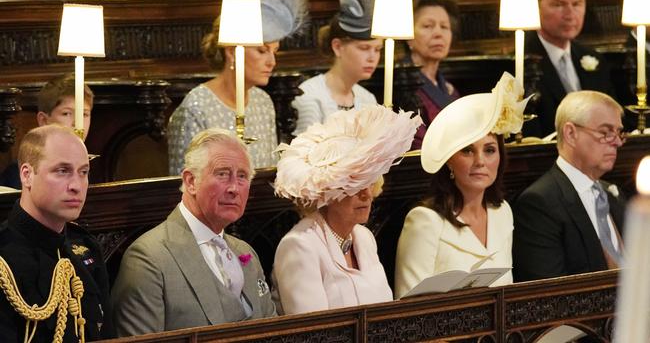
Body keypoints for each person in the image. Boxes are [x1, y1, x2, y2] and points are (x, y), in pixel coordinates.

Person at [111, 128, 276, 335]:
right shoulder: (148, 258)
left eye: (242, 176)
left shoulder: (247, 253)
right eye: (222, 174)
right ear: (191, 182)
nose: (234, 188)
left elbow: (273, 332)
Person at [272, 105, 421, 314]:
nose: (366, 195)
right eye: (354, 186)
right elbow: (313, 332)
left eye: (369, 183)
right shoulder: (300, 245)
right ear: (327, 191)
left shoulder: (364, 237)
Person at [394, 73, 529, 299]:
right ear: (448, 160)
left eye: (489, 150)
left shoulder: (502, 211)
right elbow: (406, 305)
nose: (480, 161)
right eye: (467, 150)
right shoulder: (425, 221)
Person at [167, 0, 307, 173]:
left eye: (275, 51)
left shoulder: (263, 102)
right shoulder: (197, 107)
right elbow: (182, 181)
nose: (272, 61)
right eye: (262, 51)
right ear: (232, 52)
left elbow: (269, 171)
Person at [0, 124, 114, 341]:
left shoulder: (86, 247)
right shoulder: (4, 257)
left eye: (83, 172)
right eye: (62, 171)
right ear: (27, 175)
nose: (76, 186)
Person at [513, 91, 626, 281]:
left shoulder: (614, 194)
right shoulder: (538, 203)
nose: (616, 142)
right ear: (571, 133)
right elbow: (548, 295)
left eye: (618, 132)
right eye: (606, 132)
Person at [524, 0, 614, 137]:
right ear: (537, 6)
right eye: (558, 5)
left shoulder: (594, 59)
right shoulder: (522, 63)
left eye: (577, 4)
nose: (570, 14)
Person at [292, 0, 381, 135]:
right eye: (364, 48)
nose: (372, 57)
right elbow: (303, 153)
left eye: (378, 49)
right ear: (338, 47)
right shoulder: (310, 95)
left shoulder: (367, 99)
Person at [0, 75, 94, 189]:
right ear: (43, 120)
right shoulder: (17, 173)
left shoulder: (91, 168)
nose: (77, 122)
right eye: (66, 113)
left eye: (84, 114)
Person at [407, 0, 461, 149]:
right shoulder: (401, 86)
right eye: (428, 26)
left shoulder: (451, 90)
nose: (438, 33)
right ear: (409, 36)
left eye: (444, 26)